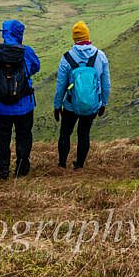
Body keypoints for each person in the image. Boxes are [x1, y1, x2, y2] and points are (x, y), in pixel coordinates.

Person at [53, 20, 111, 169]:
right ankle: (79, 166)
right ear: (87, 36)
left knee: (65, 133)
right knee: (84, 134)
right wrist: (103, 103)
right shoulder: (101, 56)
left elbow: (61, 86)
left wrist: (57, 105)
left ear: (74, 38)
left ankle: (61, 164)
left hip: (71, 104)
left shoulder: (66, 58)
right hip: (91, 104)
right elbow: (106, 84)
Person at [0, 19, 41, 179]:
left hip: (1, 105)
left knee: (2, 136)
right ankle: (22, 169)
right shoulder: (27, 51)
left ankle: (1, 170)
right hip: (24, 104)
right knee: (24, 135)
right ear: (20, 33)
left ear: (5, 33)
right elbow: (35, 67)